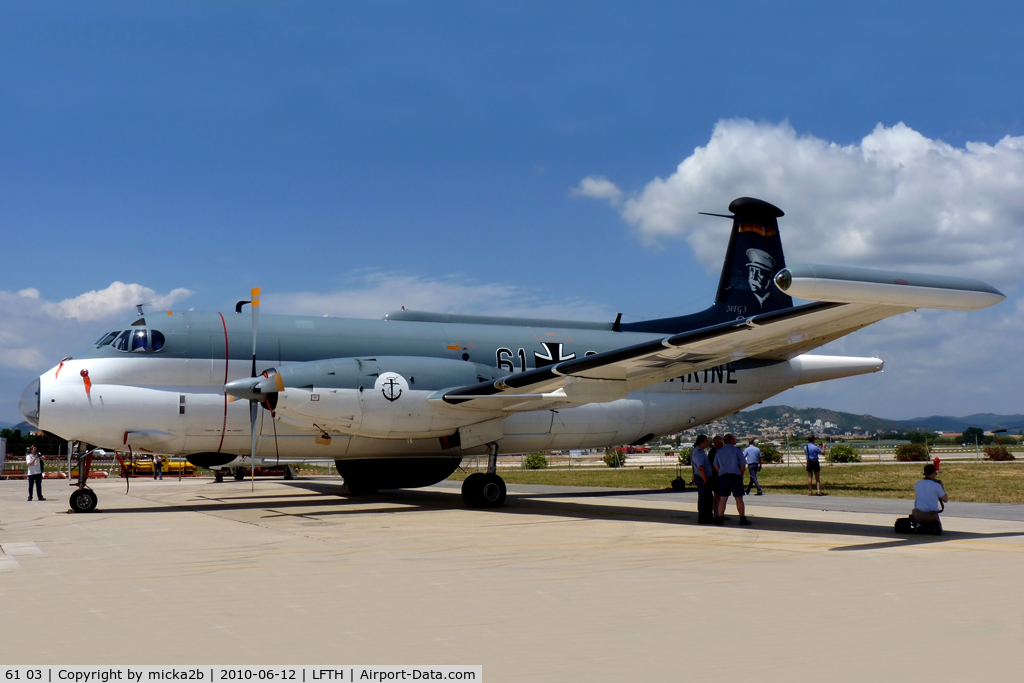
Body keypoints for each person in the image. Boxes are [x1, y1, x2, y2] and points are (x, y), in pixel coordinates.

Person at [714, 433, 751, 526]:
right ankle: (742, 518)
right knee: (739, 499)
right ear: (731, 440)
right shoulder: (737, 451)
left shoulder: (719, 451)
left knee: (723, 499)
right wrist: (741, 475)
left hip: (723, 476)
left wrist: (721, 471)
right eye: (734, 439)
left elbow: (715, 465)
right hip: (735, 476)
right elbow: (743, 465)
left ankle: (720, 519)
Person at [690, 435, 714, 524]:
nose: (708, 443)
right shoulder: (699, 452)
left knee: (707, 498)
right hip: (702, 478)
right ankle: (704, 518)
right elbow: (700, 467)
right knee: (705, 499)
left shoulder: (698, 451)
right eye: (706, 441)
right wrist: (705, 479)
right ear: (702, 442)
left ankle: (707, 516)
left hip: (701, 477)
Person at [708, 435, 724, 516]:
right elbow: (712, 465)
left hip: (720, 476)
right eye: (721, 442)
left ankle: (720, 513)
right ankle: (716, 514)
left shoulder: (721, 451)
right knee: (717, 496)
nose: (722, 443)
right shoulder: (713, 452)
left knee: (722, 496)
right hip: (715, 476)